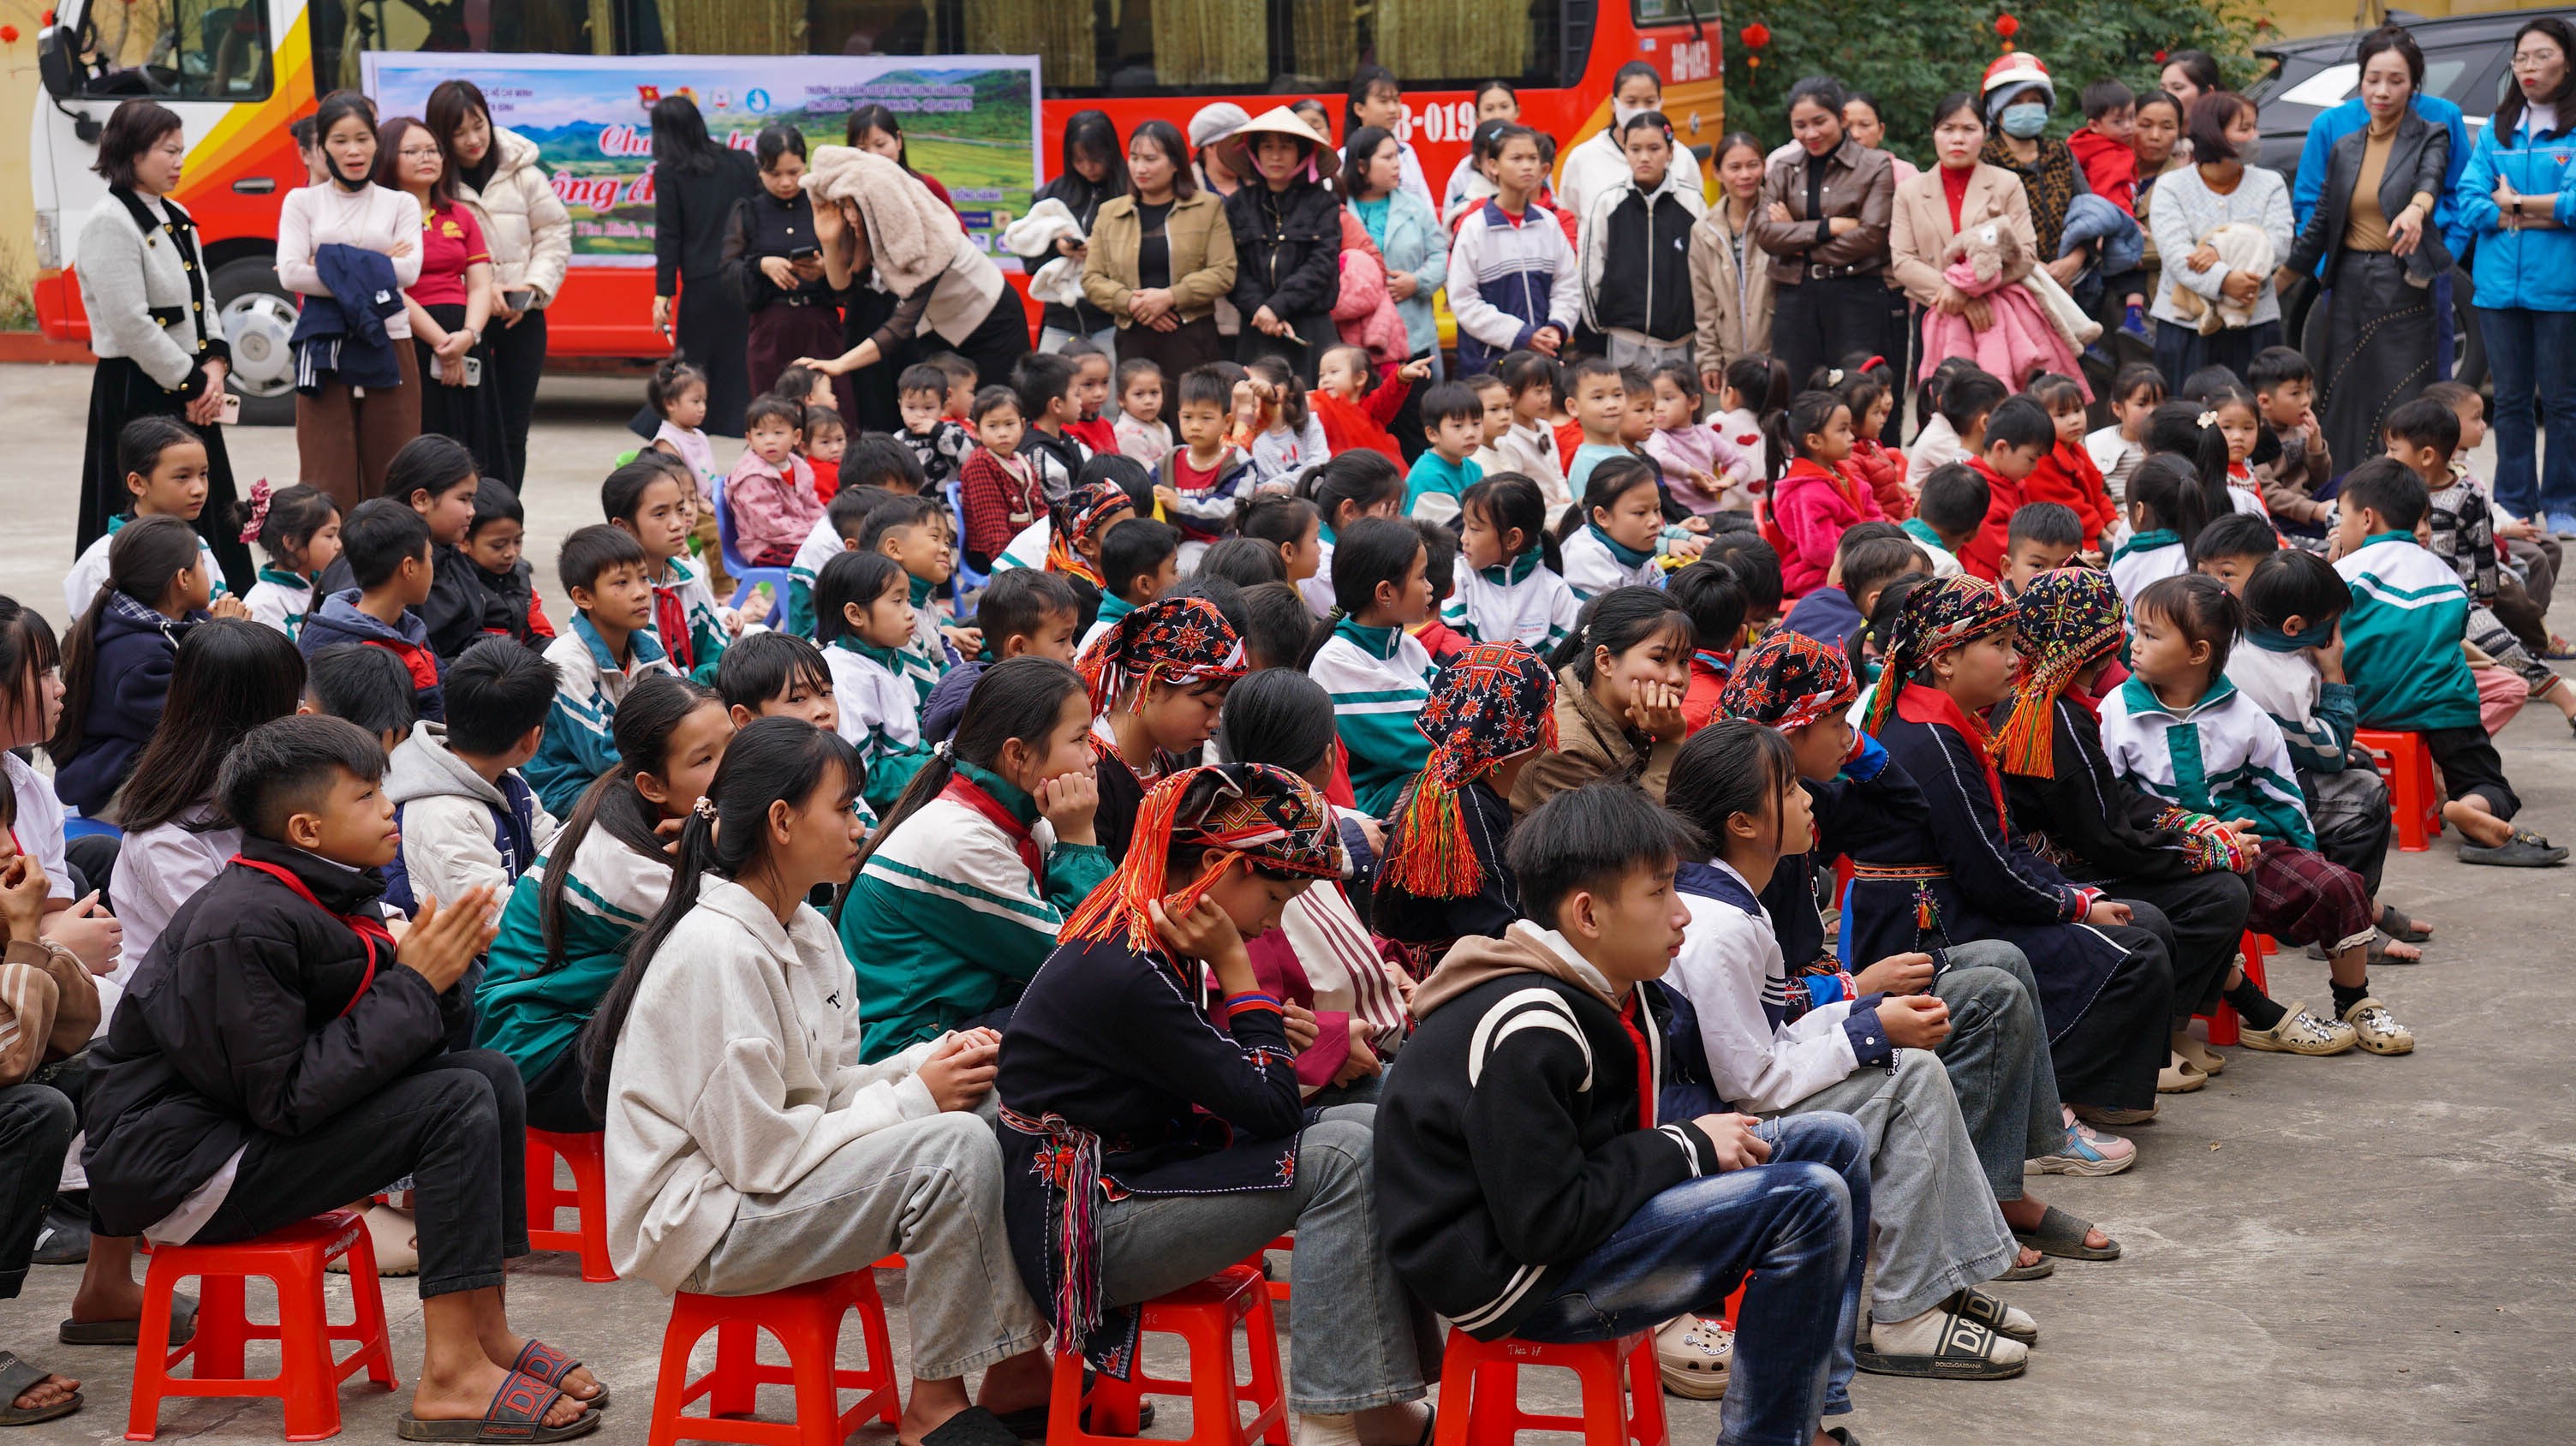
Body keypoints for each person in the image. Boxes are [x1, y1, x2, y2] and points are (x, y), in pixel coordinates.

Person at [82, 714, 608, 1440]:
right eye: (364, 797)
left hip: (236, 1136)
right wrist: (415, 985)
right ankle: (451, 1376)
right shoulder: (244, 922)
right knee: (456, 1100)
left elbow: (394, 1044)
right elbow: (287, 1100)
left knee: (488, 1074)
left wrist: (439, 978)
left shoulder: (323, 892)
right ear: (305, 829)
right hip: (186, 1170)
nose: (388, 808)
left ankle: (486, 1333)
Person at [588, 718, 1052, 1446]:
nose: (859, 823)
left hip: (760, 1184)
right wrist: (915, 1099)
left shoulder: (807, 929)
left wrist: (927, 1063)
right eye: (842, 807)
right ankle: (935, 1403)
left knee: (991, 1098)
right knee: (952, 1148)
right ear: (782, 821)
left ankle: (1017, 1368)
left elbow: (826, 1087)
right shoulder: (716, 951)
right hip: (707, 1222)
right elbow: (760, 1156)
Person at [1374, 780, 1866, 1446]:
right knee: (1805, 1198)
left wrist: (1680, 1149)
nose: (1682, 915)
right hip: (1516, 1281)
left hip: (1579, 1228)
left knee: (1832, 1143)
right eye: (1660, 892)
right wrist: (1684, 1149)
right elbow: (1545, 1224)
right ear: (1588, 915)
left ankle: (1808, 1412)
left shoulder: (1617, 991)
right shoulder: (1531, 1028)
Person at [996, 761, 1431, 1446]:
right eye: (1276, 899)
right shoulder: (1128, 965)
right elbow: (1272, 1106)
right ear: (1219, 868)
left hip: (1119, 1185)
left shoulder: (1139, 930)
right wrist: (1239, 978)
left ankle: (1371, 1406)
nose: (1270, 923)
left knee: (1363, 1123)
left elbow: (1226, 1087)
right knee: (1344, 1154)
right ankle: (1340, 1420)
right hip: (1082, 1230)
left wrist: (1255, 1022)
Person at [1661, 721, 2030, 1381]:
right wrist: (1870, 1032)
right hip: (1709, 1136)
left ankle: (1928, 1288)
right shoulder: (1717, 926)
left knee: (1905, 1064)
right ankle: (1905, 1314)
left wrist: (1860, 1012)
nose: (1809, 799)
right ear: (1743, 823)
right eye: (1789, 788)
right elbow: (1753, 1083)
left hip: (1724, 1111)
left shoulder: (1732, 903)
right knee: (1909, 1076)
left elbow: (1767, 1039)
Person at [1851, 576, 2178, 1128]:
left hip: (1956, 903)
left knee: (2141, 923)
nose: (2014, 658)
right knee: (2135, 951)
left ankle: (2089, 1091)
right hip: (1932, 927)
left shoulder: (1947, 722)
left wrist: (2076, 895)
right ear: (1946, 659)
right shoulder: (1932, 741)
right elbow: (1991, 873)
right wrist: (2075, 905)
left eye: (2013, 642)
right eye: (1997, 644)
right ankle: (2041, 1113)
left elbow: (2000, 850)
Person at [2102, 577, 2417, 1054]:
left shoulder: (2244, 717)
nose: (2135, 644)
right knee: (2210, 908)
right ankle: (2252, 1010)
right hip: (2163, 857)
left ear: (2198, 652)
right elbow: (2113, 803)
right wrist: (2196, 835)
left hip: (2246, 848)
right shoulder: (2117, 714)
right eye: (2137, 631)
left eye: (2150, 635)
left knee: (2338, 884)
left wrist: (2302, 856)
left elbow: (2280, 794)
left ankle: (2355, 1002)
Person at [477, 675, 728, 1132]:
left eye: (733, 742)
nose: (731, 767)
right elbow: (749, 924)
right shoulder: (624, 865)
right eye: (706, 759)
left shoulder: (640, 810)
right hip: (543, 1056)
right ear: (653, 786)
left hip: (586, 1024)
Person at [840, 655, 1111, 1060]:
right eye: (1079, 739)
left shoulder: (1024, 818)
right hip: (906, 1047)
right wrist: (1079, 841)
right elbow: (1083, 959)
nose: (1093, 757)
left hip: (962, 1022)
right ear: (1017, 755)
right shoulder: (961, 840)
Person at [75, 100, 251, 589]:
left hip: (190, 383)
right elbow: (129, 322)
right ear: (131, 153)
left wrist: (215, 365)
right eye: (168, 151)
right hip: (138, 387)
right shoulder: (109, 221)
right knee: (142, 503)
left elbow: (204, 298)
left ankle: (219, 603)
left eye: (181, 151)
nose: (179, 161)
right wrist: (194, 381)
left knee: (201, 496)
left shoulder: (176, 213)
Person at [2285, 27, 2454, 476]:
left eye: (2396, 80)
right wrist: (2281, 279)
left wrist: (2418, 211)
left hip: (2403, 283)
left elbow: (2431, 180)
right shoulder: (2344, 145)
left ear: (2414, 84)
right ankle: (2345, 498)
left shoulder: (2431, 134)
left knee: (2403, 396)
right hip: (2348, 282)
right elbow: (2321, 220)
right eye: (2373, 78)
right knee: (2342, 395)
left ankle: (2403, 498)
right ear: (2360, 79)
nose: (2382, 91)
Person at [107, 619, 303, 977]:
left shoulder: (269, 794)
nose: (302, 716)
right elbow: (242, 945)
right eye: (291, 703)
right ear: (259, 719)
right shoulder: (166, 840)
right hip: (192, 1009)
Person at [2458, 17, 2576, 532]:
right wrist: (2533, 212)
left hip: (2561, 288)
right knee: (2508, 402)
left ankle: (2565, 503)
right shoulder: (2496, 132)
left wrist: (2516, 203)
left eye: (2543, 56)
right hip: (2499, 289)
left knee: (2563, 400)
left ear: (2568, 62)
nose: (2529, 68)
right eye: (2522, 58)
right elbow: (2470, 203)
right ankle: (2513, 502)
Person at [278, 92, 423, 509]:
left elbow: (409, 272)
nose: (353, 150)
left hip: (390, 339)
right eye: (340, 140)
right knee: (326, 473)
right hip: (323, 343)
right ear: (322, 145)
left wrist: (324, 260)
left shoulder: (401, 203)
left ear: (377, 142)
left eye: (363, 138)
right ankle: (332, 570)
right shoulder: (301, 201)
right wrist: (377, 265)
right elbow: (290, 273)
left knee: (395, 469)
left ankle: (393, 566)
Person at [798, 146, 1033, 400]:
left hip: (991, 326)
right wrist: (829, 241)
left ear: (878, 205)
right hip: (935, 331)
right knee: (936, 413)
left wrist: (840, 364)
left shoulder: (926, 238)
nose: (849, 215)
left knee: (997, 408)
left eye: (852, 205)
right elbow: (843, 290)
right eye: (842, 204)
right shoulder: (868, 232)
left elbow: (900, 326)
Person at [427, 80, 567, 484]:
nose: (473, 139)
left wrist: (532, 289)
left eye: (478, 125)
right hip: (460, 320)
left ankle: (504, 522)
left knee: (511, 430)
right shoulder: (434, 182)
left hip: (521, 320)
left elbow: (554, 233)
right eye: (458, 132)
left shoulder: (523, 172)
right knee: (462, 430)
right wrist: (484, 289)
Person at [50, 517, 222, 817]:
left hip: (143, 772)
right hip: (118, 789)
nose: (207, 574)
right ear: (183, 578)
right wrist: (230, 646)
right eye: (202, 565)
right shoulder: (140, 657)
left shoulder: (177, 621)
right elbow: (196, 722)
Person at [384, 637, 561, 927]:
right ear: (532, 739)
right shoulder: (441, 815)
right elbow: (502, 923)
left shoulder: (505, 779)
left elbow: (555, 846)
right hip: (465, 964)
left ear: (447, 716)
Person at [376, 117, 513, 487]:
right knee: (426, 444)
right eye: (413, 151)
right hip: (412, 343)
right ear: (388, 157)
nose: (428, 158)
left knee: (477, 442)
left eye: (433, 150)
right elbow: (391, 288)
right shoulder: (381, 218)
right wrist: (440, 343)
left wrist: (468, 336)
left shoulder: (460, 214)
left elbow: (480, 284)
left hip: (466, 342)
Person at [1753, 77, 1898, 397]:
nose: (1811, 133)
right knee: (1795, 396)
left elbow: (1871, 236)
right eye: (1800, 125)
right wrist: (1827, 228)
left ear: (1842, 118)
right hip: (1795, 298)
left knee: (1859, 395)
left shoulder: (1875, 166)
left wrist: (1795, 240)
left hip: (1856, 295)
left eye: (1820, 122)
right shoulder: (1784, 168)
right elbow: (1764, 233)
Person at [2148, 93, 2294, 388]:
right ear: (2215, 133)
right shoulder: (2171, 186)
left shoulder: (2270, 184)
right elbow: (2177, 254)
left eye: (2254, 127)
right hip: (2185, 325)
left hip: (2255, 322)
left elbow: (2278, 244)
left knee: (2250, 414)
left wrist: (2218, 250)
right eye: (2244, 129)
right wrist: (2225, 281)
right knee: (2190, 419)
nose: (2255, 136)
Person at [529, 524, 678, 815]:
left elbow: (682, 707)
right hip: (568, 793)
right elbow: (604, 755)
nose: (640, 593)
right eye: (621, 583)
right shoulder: (566, 662)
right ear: (584, 597)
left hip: (632, 776)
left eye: (644, 577)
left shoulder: (645, 645)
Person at [1890, 94, 2039, 380]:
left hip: (1997, 314)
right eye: (1948, 129)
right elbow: (1903, 261)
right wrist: (1959, 295)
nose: (1958, 139)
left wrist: (1969, 289)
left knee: (1997, 404)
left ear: (1985, 133)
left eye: (1969, 129)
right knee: (1939, 407)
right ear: (1934, 133)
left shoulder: (2007, 184)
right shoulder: (1909, 191)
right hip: (1936, 310)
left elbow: (2026, 255)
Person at [1511, 585, 1693, 812]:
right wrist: (1669, 743)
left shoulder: (1633, 719)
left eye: (1684, 661)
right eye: (1660, 659)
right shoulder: (1568, 748)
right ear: (1605, 661)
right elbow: (1635, 839)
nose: (1677, 678)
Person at [1082, 121, 1236, 384]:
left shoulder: (1206, 207)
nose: (1140, 168)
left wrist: (1169, 297)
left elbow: (1224, 272)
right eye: (1134, 158)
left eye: (1151, 159)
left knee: (1192, 418)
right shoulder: (1111, 212)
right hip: (1133, 335)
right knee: (1138, 421)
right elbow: (1091, 279)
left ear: (1175, 163)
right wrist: (1134, 303)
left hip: (1190, 334)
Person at [721, 124, 855, 426]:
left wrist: (825, 268)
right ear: (760, 169)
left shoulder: (823, 205)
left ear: (805, 166)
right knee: (772, 419)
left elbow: (851, 270)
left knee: (834, 415)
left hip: (820, 326)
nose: (785, 182)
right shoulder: (749, 211)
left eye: (794, 172)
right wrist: (762, 265)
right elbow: (728, 269)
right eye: (774, 174)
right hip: (771, 330)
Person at [648, 96, 760, 441]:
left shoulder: (669, 173)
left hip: (701, 281)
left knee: (693, 359)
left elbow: (669, 235)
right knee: (739, 355)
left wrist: (664, 292)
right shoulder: (741, 161)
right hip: (743, 275)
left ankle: (691, 418)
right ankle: (737, 420)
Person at [1215, 109, 1343, 381]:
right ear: (1254, 152)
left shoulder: (1324, 202)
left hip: (1311, 327)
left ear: (1302, 153)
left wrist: (1278, 306)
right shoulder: (1238, 204)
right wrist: (1261, 309)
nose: (1275, 156)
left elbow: (1322, 263)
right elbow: (1230, 266)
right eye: (1267, 146)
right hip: (1257, 327)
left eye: (1285, 147)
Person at [1344, 124, 1448, 445]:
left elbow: (1441, 255)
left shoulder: (1414, 207)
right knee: (1363, 428)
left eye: (1397, 157)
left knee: (1414, 429)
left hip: (1410, 334)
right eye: (1386, 157)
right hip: (1354, 341)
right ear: (1362, 166)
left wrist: (1416, 282)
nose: (1396, 164)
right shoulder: (1336, 209)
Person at [64, 417, 228, 619]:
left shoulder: (199, 547)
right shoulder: (104, 559)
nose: (199, 489)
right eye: (182, 477)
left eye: (203, 474)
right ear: (137, 483)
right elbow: (94, 640)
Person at [1578, 113, 1705, 370]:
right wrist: (1599, 324)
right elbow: (1591, 267)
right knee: (1628, 404)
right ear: (1625, 151)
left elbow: (1705, 271)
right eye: (1635, 149)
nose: (1644, 157)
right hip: (1624, 337)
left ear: (1670, 152)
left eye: (1654, 148)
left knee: (1676, 405)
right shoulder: (1608, 203)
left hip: (1678, 338)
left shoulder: (1692, 202)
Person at [1450, 127, 1579, 378]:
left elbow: (1567, 285)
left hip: (1545, 359)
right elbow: (1463, 300)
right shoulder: (1475, 227)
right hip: (1490, 366)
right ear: (1493, 166)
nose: (1528, 166)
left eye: (1532, 158)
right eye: (1516, 159)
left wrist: (1556, 327)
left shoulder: (1547, 223)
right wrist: (1522, 335)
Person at [1971, 53, 2092, 296]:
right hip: (2008, 286)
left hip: (2071, 283)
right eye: (2016, 101)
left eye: (2034, 100)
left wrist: (2074, 261)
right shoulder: (1983, 159)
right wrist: (2032, 266)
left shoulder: (2060, 153)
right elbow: (1980, 227)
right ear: (1996, 109)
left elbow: (2088, 213)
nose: (2026, 108)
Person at [1023, 111, 1127, 351]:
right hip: (1061, 318)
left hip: (1115, 319)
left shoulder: (1131, 190)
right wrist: (1056, 247)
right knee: (1051, 386)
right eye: (1078, 160)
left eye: (1095, 159)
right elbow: (1028, 255)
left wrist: (1102, 249)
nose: (1088, 167)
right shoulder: (1049, 196)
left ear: (1110, 152)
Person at [1770, 391, 1886, 599]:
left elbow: (1874, 516)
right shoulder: (1806, 493)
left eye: (1850, 428)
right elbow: (1821, 551)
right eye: (1842, 430)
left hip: (1858, 563)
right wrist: (1872, 551)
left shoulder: (1842, 475)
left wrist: (1882, 542)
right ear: (1814, 441)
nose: (1852, 436)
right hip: (1818, 578)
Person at [1689, 134, 1780, 392]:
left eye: (1753, 165)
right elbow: (1704, 301)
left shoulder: (1779, 217)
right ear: (1717, 172)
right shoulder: (1704, 230)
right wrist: (1709, 360)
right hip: (1731, 359)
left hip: (1776, 353)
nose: (1745, 175)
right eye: (1735, 167)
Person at [239, 481, 342, 642]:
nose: (339, 545)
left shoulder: (325, 584)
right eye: (330, 536)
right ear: (292, 543)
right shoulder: (265, 604)